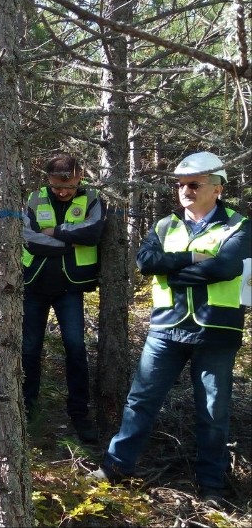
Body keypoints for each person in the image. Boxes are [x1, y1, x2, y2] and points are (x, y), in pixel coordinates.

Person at [90, 151, 248, 505]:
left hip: (216, 330)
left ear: (217, 188)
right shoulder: (165, 225)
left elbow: (224, 268)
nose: (185, 190)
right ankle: (116, 468)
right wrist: (191, 258)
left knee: (213, 411)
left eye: (194, 184)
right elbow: (146, 262)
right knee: (141, 401)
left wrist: (172, 272)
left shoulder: (239, 226)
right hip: (166, 328)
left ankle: (211, 487)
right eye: (180, 185)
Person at [21, 153, 105, 443]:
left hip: (71, 288)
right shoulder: (35, 199)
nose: (62, 191)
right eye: (56, 185)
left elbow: (93, 232)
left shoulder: (92, 199)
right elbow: (29, 238)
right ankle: (27, 408)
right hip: (35, 285)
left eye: (67, 185)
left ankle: (79, 413)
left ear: (79, 176)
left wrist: (56, 232)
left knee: (76, 349)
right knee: (29, 350)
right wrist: (69, 242)